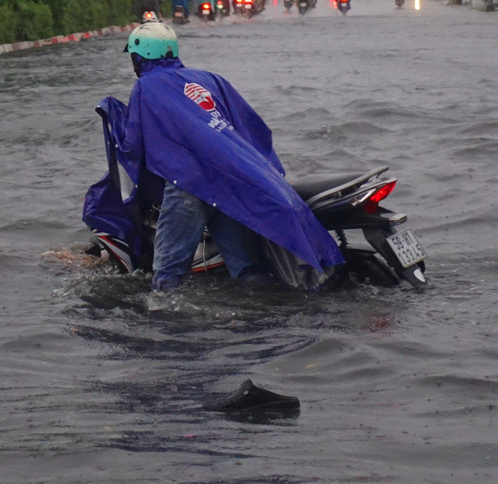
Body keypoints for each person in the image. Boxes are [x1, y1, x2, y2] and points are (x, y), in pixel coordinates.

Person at [84, 21, 343, 292]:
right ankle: (266, 306)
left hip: (189, 184)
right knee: (245, 269)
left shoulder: (146, 87)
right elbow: (250, 128)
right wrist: (272, 171)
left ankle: (164, 316)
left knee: (168, 274)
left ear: (140, 56)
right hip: (229, 185)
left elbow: (134, 145)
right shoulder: (211, 79)